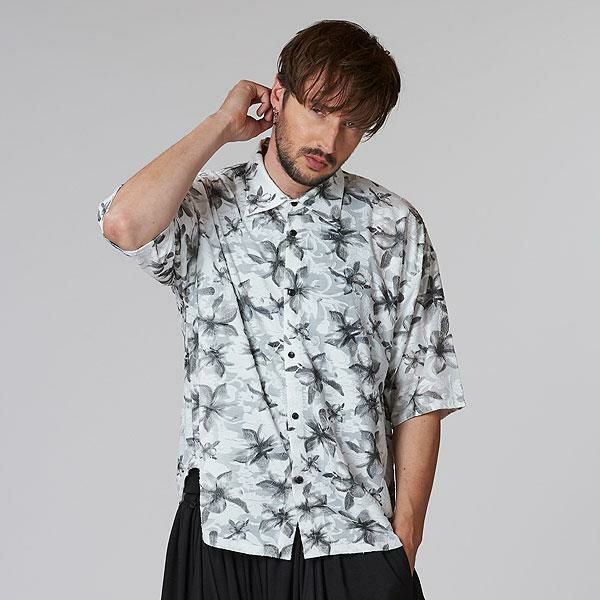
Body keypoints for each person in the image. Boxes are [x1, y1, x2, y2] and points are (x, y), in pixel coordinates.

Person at [97, 18, 466, 600]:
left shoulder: (392, 226)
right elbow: (123, 224)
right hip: (227, 527)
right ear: (278, 96)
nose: (330, 139)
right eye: (318, 110)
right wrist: (222, 124)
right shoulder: (206, 210)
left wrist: (406, 540)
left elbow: (421, 388)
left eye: (352, 124)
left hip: (352, 534)